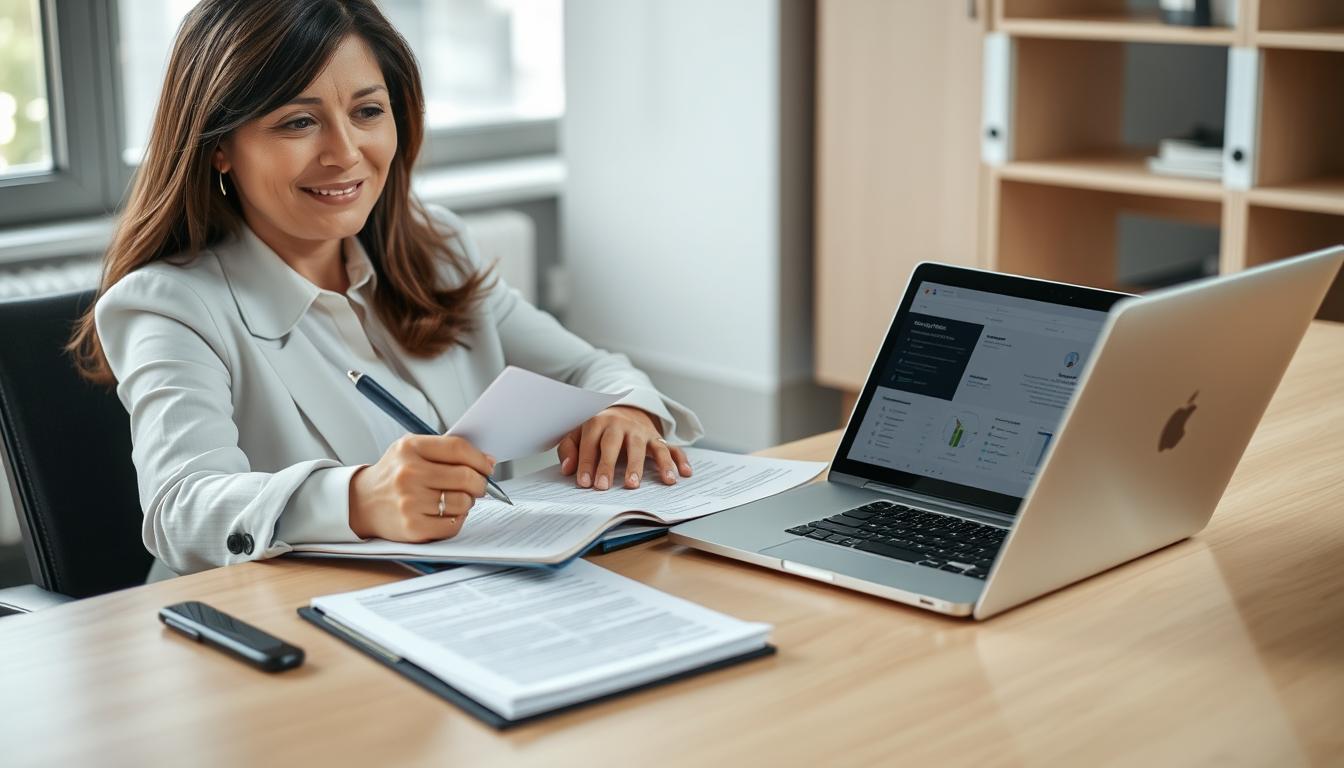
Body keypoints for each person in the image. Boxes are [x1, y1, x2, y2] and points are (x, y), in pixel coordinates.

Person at [66, 0, 702, 579]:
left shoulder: (438, 250)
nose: (345, 153)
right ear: (219, 148)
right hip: (279, 639)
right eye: (297, 122)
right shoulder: (168, 305)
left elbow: (593, 369)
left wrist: (626, 413)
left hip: (473, 601)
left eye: (367, 112)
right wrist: (358, 497)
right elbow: (181, 509)